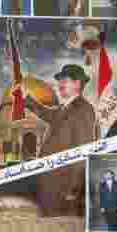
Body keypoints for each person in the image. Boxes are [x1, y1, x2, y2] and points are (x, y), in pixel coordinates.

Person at [23, 65, 96, 217]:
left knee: (56, 223)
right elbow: (47, 114)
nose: (60, 84)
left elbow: (82, 150)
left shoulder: (83, 109)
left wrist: (74, 188)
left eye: (65, 80)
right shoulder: (65, 107)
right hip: (51, 182)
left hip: (62, 186)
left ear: (77, 83)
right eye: (59, 81)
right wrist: (26, 99)